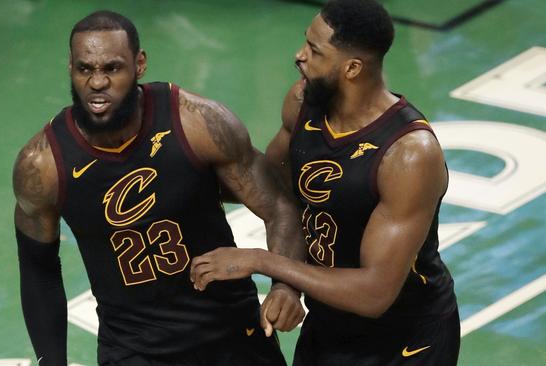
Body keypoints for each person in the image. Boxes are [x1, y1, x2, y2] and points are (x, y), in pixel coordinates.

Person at [12, 10, 306, 366]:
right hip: (134, 350)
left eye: (112, 68)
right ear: (70, 67)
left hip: (231, 331)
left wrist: (286, 286)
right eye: (85, 69)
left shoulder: (197, 123)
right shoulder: (42, 165)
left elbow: (280, 207)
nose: (97, 83)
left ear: (140, 64)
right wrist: (51, 362)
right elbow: (38, 270)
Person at [190, 0, 460, 365]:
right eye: (306, 42)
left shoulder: (409, 155)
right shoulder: (302, 103)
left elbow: (374, 294)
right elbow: (274, 192)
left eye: (315, 51)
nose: (299, 56)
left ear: (351, 68)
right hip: (329, 323)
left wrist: (261, 262)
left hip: (405, 341)